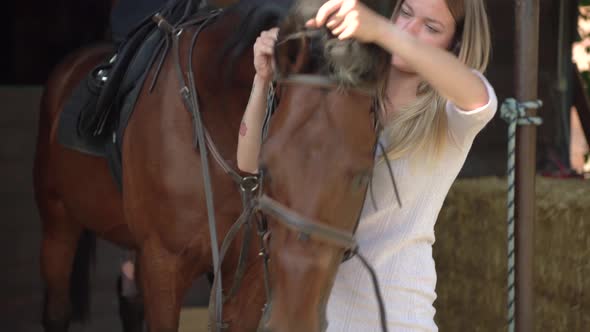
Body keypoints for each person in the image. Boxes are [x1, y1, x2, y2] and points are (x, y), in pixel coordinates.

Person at [237, 0, 497, 331]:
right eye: (405, 13)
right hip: (311, 313)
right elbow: (249, 163)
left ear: (455, 43)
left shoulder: (448, 113)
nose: (410, 29)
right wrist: (262, 81)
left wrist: (383, 31)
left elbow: (481, 99)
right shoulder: (345, 91)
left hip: (396, 317)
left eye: (431, 28)